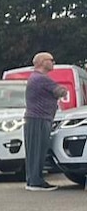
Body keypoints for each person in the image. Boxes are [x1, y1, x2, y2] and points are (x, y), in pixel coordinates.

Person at [24, 51, 67, 191]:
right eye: (51, 60)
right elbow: (60, 91)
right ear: (42, 62)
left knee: (34, 150)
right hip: (39, 119)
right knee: (38, 150)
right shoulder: (42, 79)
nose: (53, 62)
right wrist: (64, 89)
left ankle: (32, 179)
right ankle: (36, 181)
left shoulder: (35, 77)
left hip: (36, 118)